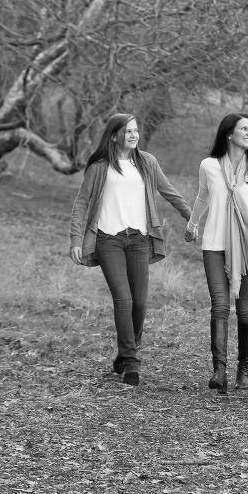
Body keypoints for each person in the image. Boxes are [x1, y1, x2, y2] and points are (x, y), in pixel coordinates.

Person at [69, 114, 192, 387]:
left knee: (140, 303)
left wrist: (191, 218)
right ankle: (132, 363)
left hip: (139, 240)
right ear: (114, 136)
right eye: (128, 131)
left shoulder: (147, 162)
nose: (134, 135)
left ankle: (125, 353)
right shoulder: (99, 167)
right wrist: (76, 239)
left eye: (136, 130)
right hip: (108, 240)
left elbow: (169, 192)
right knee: (123, 300)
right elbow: (81, 203)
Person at [185, 113, 248, 394]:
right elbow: (202, 197)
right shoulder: (209, 165)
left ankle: (243, 370)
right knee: (220, 306)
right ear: (228, 134)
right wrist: (192, 224)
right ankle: (219, 371)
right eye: (243, 128)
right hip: (214, 244)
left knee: (245, 311)